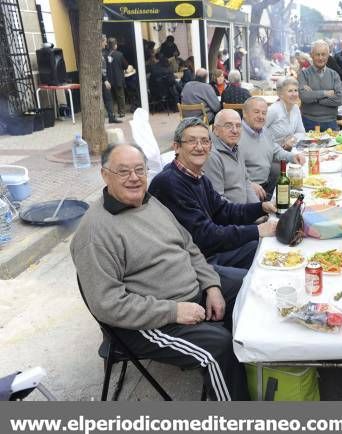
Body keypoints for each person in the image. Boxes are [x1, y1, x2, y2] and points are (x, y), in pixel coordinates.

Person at [71, 143, 249, 401]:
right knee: (218, 350)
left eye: (139, 170)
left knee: (250, 287)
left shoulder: (149, 201)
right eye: (123, 172)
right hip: (147, 322)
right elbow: (108, 305)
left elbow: (188, 245)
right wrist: (174, 311)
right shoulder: (95, 233)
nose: (134, 178)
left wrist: (211, 286)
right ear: (104, 175)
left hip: (191, 290)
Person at [149, 118, 277, 282]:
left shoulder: (198, 176)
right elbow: (205, 236)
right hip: (190, 265)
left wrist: (262, 207)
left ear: (210, 145)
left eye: (204, 141)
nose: (200, 147)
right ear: (176, 146)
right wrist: (257, 230)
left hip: (208, 252)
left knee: (262, 248)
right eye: (192, 141)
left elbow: (224, 211)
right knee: (251, 282)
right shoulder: (169, 182)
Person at [239, 97, 305, 200]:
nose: (261, 116)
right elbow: (230, 171)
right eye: (256, 112)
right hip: (248, 191)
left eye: (264, 113)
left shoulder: (264, 131)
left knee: (299, 198)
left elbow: (276, 151)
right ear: (245, 113)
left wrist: (293, 156)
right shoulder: (236, 135)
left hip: (267, 185)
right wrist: (248, 184)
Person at [203, 109, 258, 204]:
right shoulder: (212, 156)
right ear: (216, 130)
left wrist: (258, 209)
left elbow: (246, 182)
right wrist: (247, 213)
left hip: (243, 211)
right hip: (230, 215)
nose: (235, 131)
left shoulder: (236, 147)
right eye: (228, 126)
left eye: (238, 126)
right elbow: (217, 201)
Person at [298, 40, 342, 131]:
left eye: (323, 54)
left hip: (331, 122)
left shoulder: (334, 75)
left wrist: (314, 96)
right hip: (309, 122)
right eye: (317, 54)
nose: (320, 58)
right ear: (311, 55)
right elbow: (304, 97)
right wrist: (325, 93)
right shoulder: (304, 74)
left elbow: (339, 100)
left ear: (328, 55)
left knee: (333, 146)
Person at [265, 76, 305, 150]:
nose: (294, 94)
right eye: (290, 91)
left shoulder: (296, 108)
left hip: (289, 152)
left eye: (296, 90)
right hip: (271, 154)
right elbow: (259, 133)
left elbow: (301, 132)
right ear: (280, 94)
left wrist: (292, 140)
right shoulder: (273, 110)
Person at [107, 37, 128, 118]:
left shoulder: (105, 55)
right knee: (120, 96)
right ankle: (121, 112)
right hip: (118, 79)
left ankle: (112, 113)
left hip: (108, 80)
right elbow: (125, 66)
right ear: (115, 45)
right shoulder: (119, 54)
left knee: (110, 98)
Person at [101, 35, 120, 124]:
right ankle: (111, 117)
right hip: (103, 80)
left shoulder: (103, 52)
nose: (105, 44)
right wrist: (105, 80)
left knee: (108, 98)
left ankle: (111, 116)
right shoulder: (99, 53)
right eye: (104, 41)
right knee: (108, 98)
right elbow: (101, 68)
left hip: (105, 79)